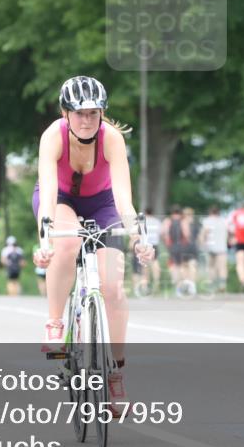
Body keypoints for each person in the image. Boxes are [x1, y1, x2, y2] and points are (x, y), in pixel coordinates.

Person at [31, 76, 154, 415]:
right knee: (68, 241)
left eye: (93, 113)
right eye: (79, 113)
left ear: (102, 113)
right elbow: (48, 196)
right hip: (60, 200)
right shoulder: (52, 136)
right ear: (65, 113)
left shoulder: (111, 138)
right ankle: (55, 324)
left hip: (103, 205)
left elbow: (124, 200)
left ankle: (115, 374)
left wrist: (138, 238)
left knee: (113, 288)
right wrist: (45, 242)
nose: (86, 120)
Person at [201, 205, 229, 293]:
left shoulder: (207, 221)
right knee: (222, 267)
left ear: (210, 212)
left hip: (210, 247)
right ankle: (222, 284)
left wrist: (203, 244)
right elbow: (229, 233)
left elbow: (204, 233)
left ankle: (211, 285)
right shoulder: (224, 221)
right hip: (222, 247)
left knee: (211, 267)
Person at [161, 205, 190, 286]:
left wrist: (166, 243)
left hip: (172, 246)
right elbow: (187, 234)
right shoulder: (183, 221)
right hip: (182, 246)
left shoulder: (167, 221)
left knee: (173, 264)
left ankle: (176, 283)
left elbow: (163, 233)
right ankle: (184, 282)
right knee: (182, 265)